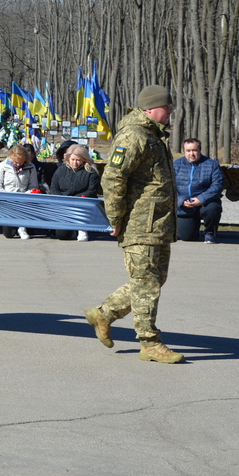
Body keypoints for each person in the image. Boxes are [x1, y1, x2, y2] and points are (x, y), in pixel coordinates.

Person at [85, 84, 183, 364]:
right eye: (166, 107)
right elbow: (113, 178)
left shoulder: (152, 134)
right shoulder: (134, 135)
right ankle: (150, 343)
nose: (170, 111)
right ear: (150, 108)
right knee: (146, 283)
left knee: (153, 279)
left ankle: (103, 314)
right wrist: (115, 218)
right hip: (140, 224)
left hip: (158, 224)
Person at [173, 138, 224, 244]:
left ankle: (209, 232)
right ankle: (193, 230)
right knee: (186, 237)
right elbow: (170, 186)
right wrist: (181, 200)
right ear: (184, 151)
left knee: (213, 208)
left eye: (194, 150)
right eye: (188, 151)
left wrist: (201, 199)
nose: (191, 154)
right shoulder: (176, 165)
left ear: (200, 150)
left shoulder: (212, 165)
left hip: (206, 203)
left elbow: (218, 186)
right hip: (185, 206)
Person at [49, 143, 101, 241]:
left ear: (84, 159)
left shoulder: (91, 172)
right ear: (68, 158)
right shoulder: (61, 170)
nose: (75, 163)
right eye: (73, 159)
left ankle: (82, 228)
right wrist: (60, 198)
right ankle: (71, 229)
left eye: (78, 160)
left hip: (82, 204)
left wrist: (76, 198)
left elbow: (92, 190)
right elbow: (54, 187)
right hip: (64, 204)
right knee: (62, 236)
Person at [0, 144, 39, 239]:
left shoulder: (31, 167)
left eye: (20, 162)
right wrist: (7, 196)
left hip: (24, 199)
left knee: (22, 204)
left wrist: (27, 194)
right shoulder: (2, 166)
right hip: (7, 199)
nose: (17, 164)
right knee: (9, 235)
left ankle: (22, 227)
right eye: (15, 162)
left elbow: (33, 185)